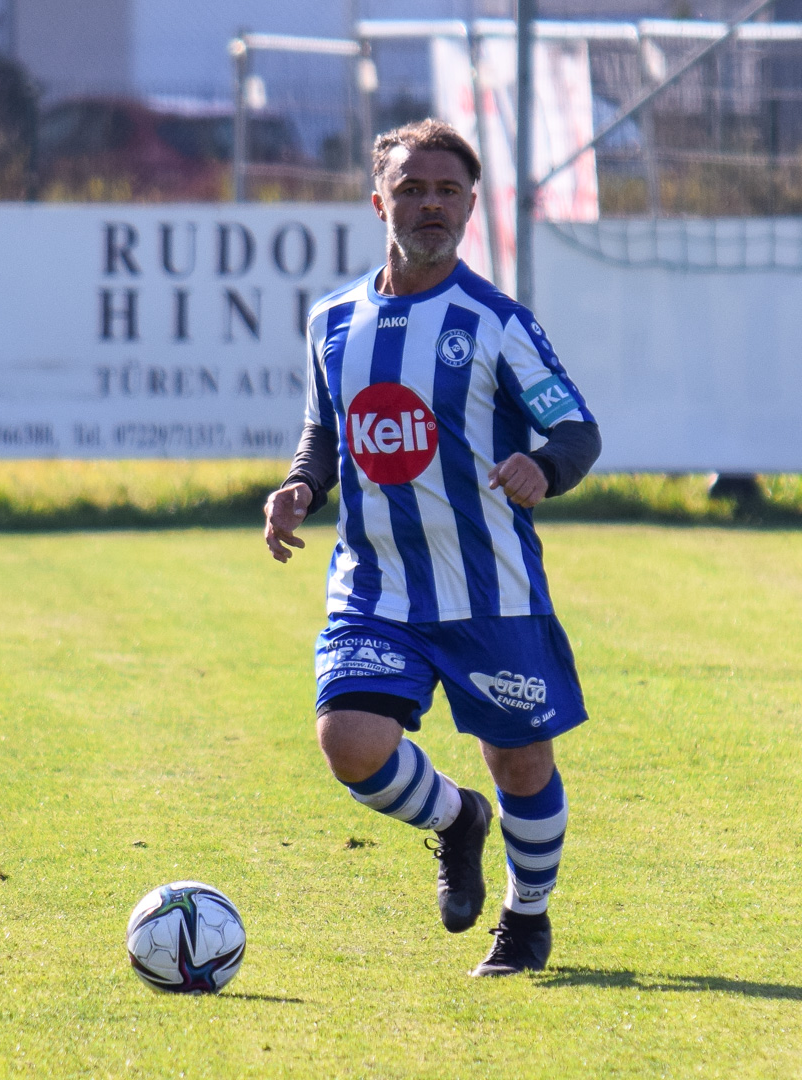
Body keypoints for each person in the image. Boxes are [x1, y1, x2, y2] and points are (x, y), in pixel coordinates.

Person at [262, 119, 601, 977]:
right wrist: (301, 486)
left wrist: (543, 466)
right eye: (412, 189)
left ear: (471, 206)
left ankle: (526, 921)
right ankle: (457, 819)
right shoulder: (332, 320)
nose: (431, 205)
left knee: (519, 759)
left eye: (448, 191)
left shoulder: (497, 323)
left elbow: (576, 428)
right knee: (350, 743)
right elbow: (324, 431)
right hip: (376, 586)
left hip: (489, 588)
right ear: (380, 203)